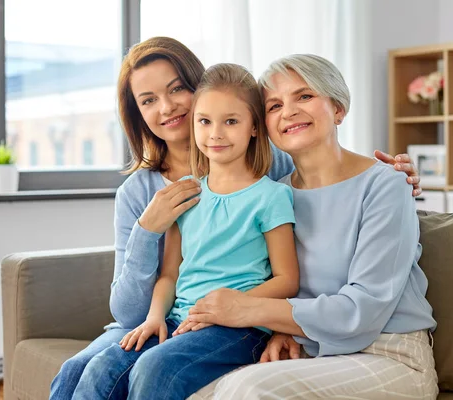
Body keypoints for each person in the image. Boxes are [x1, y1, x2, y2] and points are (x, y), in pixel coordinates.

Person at [49, 37, 423, 399]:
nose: (166, 107)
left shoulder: (272, 176)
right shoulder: (143, 192)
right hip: (187, 317)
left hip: (294, 330)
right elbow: (138, 302)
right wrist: (148, 230)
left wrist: (398, 176)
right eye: (148, 100)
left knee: (186, 375)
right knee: (79, 372)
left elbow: (326, 179)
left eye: (176, 89)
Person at [182, 54, 438, 400]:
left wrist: (246, 308)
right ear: (263, 126)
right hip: (312, 352)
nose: (288, 111)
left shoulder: (385, 184)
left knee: (249, 389)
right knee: (192, 390)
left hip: (389, 355)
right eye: (274, 106)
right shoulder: (275, 196)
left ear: (338, 108)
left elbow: (363, 310)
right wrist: (287, 330)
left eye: (304, 96)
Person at [70, 62, 300, 399]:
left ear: (254, 127)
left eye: (231, 122)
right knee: (100, 369)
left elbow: (288, 279)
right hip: (178, 318)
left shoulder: (272, 194)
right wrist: (153, 318)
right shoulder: (186, 193)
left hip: (239, 326)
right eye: (204, 121)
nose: (216, 133)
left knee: (155, 367)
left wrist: (230, 305)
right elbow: (169, 275)